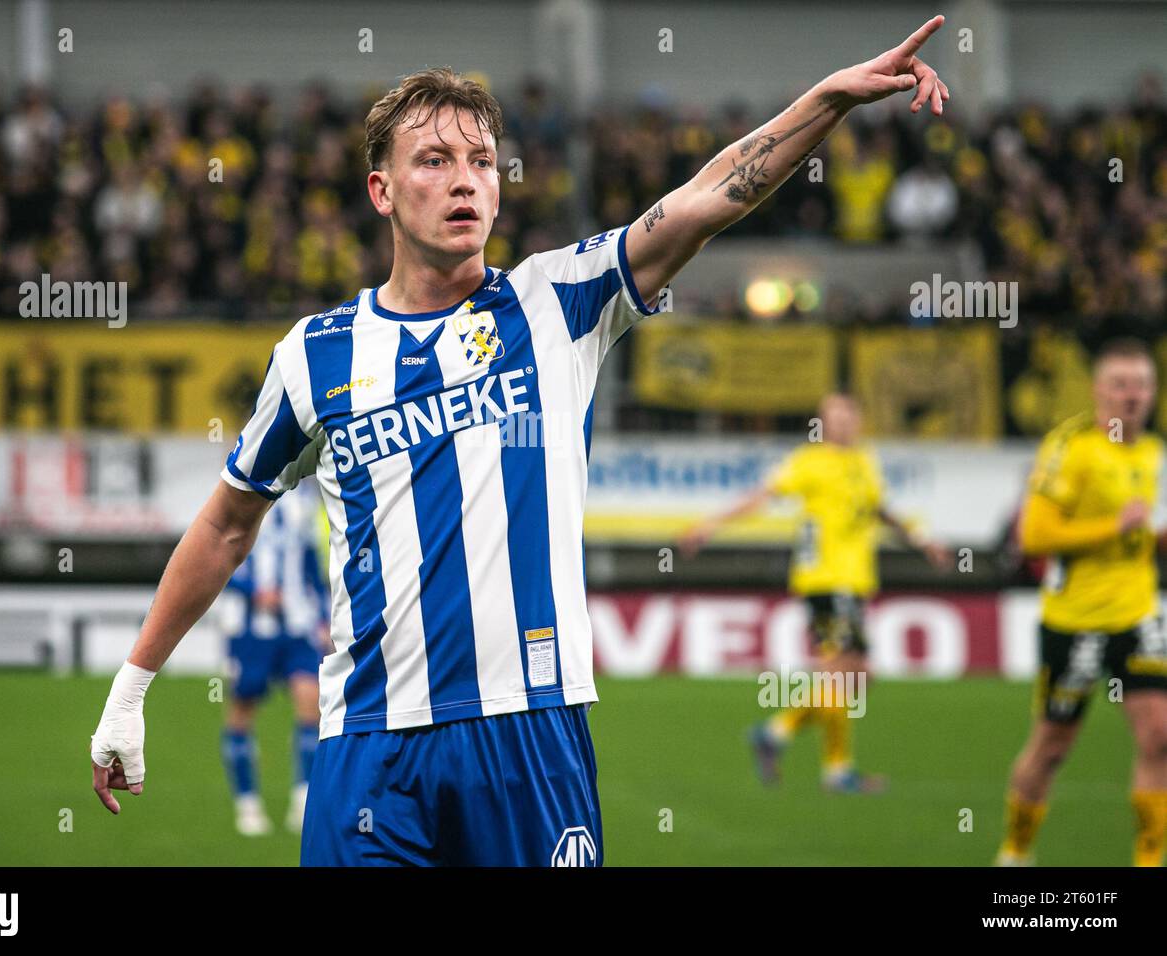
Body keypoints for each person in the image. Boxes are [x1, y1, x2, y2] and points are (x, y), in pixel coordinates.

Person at [91, 18, 952, 866]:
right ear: (381, 192)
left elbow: (709, 196)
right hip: (370, 749)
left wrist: (829, 100)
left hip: (533, 735)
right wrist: (131, 691)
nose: (466, 181)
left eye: (481, 162)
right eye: (434, 161)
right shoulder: (316, 356)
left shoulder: (559, 302)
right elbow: (226, 525)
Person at [682, 393, 949, 792]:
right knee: (842, 675)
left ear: (858, 420)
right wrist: (711, 524)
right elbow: (763, 496)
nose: (839, 424)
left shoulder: (864, 461)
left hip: (854, 581)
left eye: (845, 416)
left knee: (857, 678)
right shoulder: (809, 462)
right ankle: (835, 769)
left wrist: (921, 539)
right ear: (821, 423)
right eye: (830, 417)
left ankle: (776, 734)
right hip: (826, 580)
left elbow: (880, 510)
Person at [996, 338, 1167, 867]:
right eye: (1120, 384)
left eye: (1140, 384)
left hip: (1137, 615)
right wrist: (1112, 526)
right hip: (1075, 624)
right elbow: (1034, 536)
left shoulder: (1154, 453)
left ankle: (1149, 859)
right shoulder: (1070, 447)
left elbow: (1145, 535)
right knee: (1051, 748)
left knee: (1160, 735)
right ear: (1098, 391)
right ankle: (1015, 852)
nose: (1131, 395)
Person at [219, 480, 330, 836]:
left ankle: (303, 800)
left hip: (298, 626)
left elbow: (311, 559)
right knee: (242, 712)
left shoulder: (304, 498)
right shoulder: (234, 493)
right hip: (252, 631)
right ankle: (247, 803)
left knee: (310, 705)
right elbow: (215, 558)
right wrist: (254, 591)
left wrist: (325, 615)